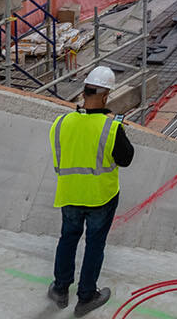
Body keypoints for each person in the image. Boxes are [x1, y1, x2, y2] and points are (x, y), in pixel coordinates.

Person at [49, 64, 136, 313]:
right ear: (106, 96)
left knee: (67, 239)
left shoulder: (61, 122)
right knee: (95, 244)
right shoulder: (111, 127)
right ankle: (86, 297)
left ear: (84, 91)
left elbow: (59, 158)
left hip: (69, 194)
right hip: (100, 197)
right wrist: (118, 129)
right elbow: (126, 158)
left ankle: (60, 289)